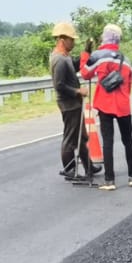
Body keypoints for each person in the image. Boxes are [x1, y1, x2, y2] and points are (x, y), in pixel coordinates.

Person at [81, 24, 132, 191]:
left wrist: (85, 54)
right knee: (128, 140)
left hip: (105, 104)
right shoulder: (126, 60)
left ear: (105, 37)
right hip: (123, 105)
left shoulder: (98, 55)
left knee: (107, 142)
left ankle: (109, 180)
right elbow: (129, 84)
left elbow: (85, 73)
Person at [49, 21, 92, 183]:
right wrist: (77, 91)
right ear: (62, 39)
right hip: (69, 104)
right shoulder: (59, 60)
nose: (73, 42)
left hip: (74, 103)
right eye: (71, 40)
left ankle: (89, 166)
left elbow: (74, 68)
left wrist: (85, 53)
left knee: (81, 136)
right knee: (70, 138)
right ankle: (69, 169)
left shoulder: (65, 57)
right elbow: (59, 85)